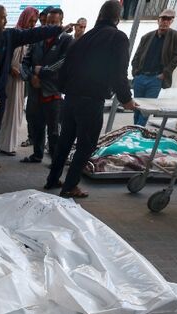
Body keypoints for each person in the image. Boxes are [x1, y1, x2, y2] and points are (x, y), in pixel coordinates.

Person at [45, 1, 136, 199]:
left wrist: (64, 90)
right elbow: (118, 71)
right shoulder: (117, 37)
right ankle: (69, 186)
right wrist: (126, 99)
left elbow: (65, 67)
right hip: (91, 100)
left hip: (71, 99)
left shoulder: (83, 38)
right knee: (85, 145)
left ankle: (52, 179)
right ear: (117, 18)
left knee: (65, 141)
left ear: (99, 16)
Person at [0, 4, 70, 169]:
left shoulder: (9, 35)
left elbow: (32, 34)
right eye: (3, 17)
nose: (6, 20)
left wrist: (58, 30)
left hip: (1, 89)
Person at [20, 8, 73, 164]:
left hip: (53, 91)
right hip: (35, 90)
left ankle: (56, 161)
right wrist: (30, 77)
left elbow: (63, 62)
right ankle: (37, 155)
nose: (50, 26)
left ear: (61, 23)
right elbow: (25, 62)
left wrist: (42, 71)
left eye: (54, 23)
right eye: (48, 22)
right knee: (36, 125)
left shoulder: (66, 40)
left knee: (53, 130)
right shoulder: (37, 39)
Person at [0, 7, 40, 157]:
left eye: (35, 21)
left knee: (15, 112)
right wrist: (9, 68)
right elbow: (3, 57)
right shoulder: (14, 35)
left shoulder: (28, 38)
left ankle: (8, 144)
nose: (32, 24)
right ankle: (2, 144)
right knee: (7, 111)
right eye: (31, 20)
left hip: (20, 81)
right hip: (9, 80)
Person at [131, 9, 177, 126]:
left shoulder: (176, 36)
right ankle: (135, 130)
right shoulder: (147, 37)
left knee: (146, 109)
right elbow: (137, 55)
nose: (165, 22)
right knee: (136, 107)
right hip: (141, 76)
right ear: (158, 20)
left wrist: (165, 73)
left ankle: (138, 130)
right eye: (163, 19)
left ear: (171, 21)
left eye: (168, 19)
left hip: (156, 78)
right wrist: (135, 72)